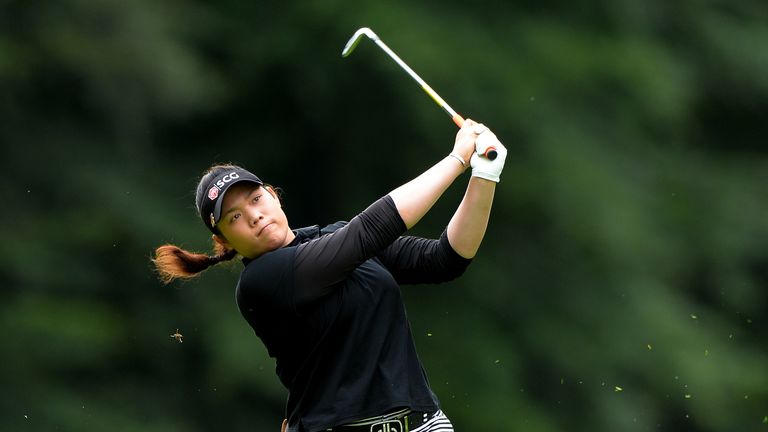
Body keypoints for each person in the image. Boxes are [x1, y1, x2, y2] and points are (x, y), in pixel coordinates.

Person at [152, 119, 507, 432]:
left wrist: (484, 174)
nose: (254, 216)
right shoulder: (261, 282)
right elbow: (367, 232)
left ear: (274, 195)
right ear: (223, 241)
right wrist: (456, 160)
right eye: (234, 217)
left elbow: (445, 259)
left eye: (256, 200)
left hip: (423, 424)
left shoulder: (333, 238)